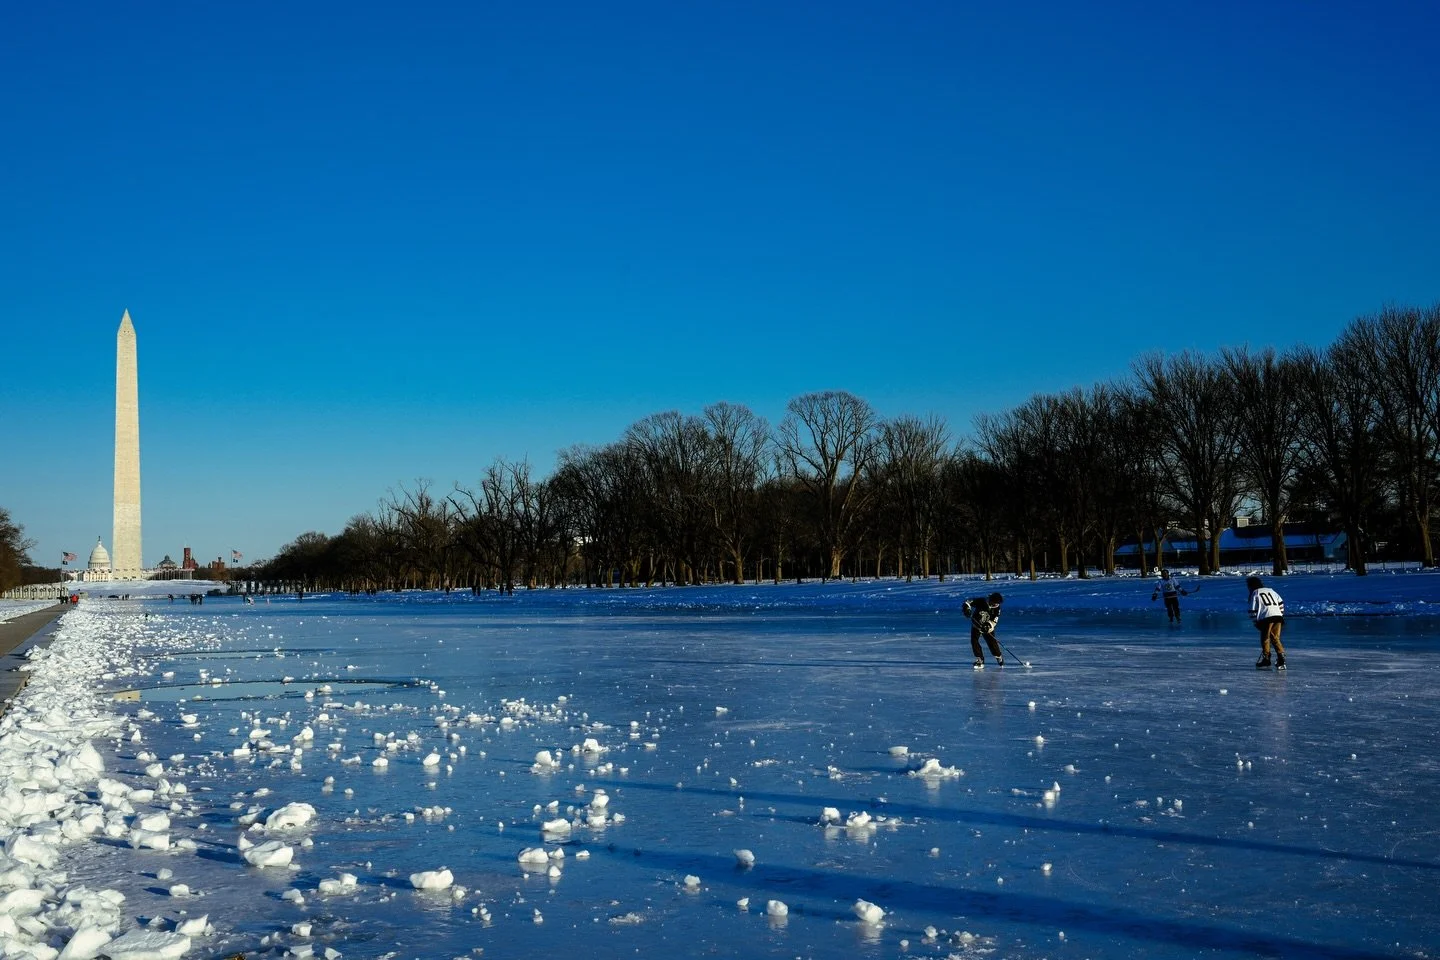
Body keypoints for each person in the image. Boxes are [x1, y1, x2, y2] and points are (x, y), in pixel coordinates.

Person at [1247, 576, 1286, 669]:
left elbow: (1252, 610)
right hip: (1278, 617)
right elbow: (1281, 603)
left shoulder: (1255, 593)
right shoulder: (1271, 590)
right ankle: (1281, 659)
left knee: (1265, 638)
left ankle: (1266, 659)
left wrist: (1255, 622)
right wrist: (1280, 614)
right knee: (1275, 638)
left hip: (1266, 617)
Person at [962, 592, 1005, 668]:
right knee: (974, 641)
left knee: (992, 643)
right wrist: (966, 608)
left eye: (997, 604)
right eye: (994, 603)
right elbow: (968, 602)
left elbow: (994, 621)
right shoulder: (981, 601)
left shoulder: (997, 609)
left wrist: (988, 626)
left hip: (987, 628)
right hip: (976, 625)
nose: (996, 605)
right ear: (991, 600)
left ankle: (998, 656)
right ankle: (980, 659)